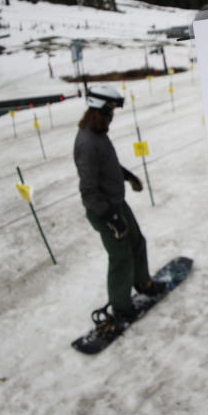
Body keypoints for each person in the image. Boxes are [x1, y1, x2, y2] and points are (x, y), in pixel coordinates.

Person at [73, 84, 163, 332]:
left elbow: (108, 166)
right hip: (104, 210)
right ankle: (121, 306)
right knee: (120, 257)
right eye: (111, 109)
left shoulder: (98, 134)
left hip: (116, 204)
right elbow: (88, 192)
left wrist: (128, 176)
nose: (113, 114)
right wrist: (112, 217)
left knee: (137, 242)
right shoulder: (88, 143)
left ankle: (143, 283)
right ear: (100, 109)